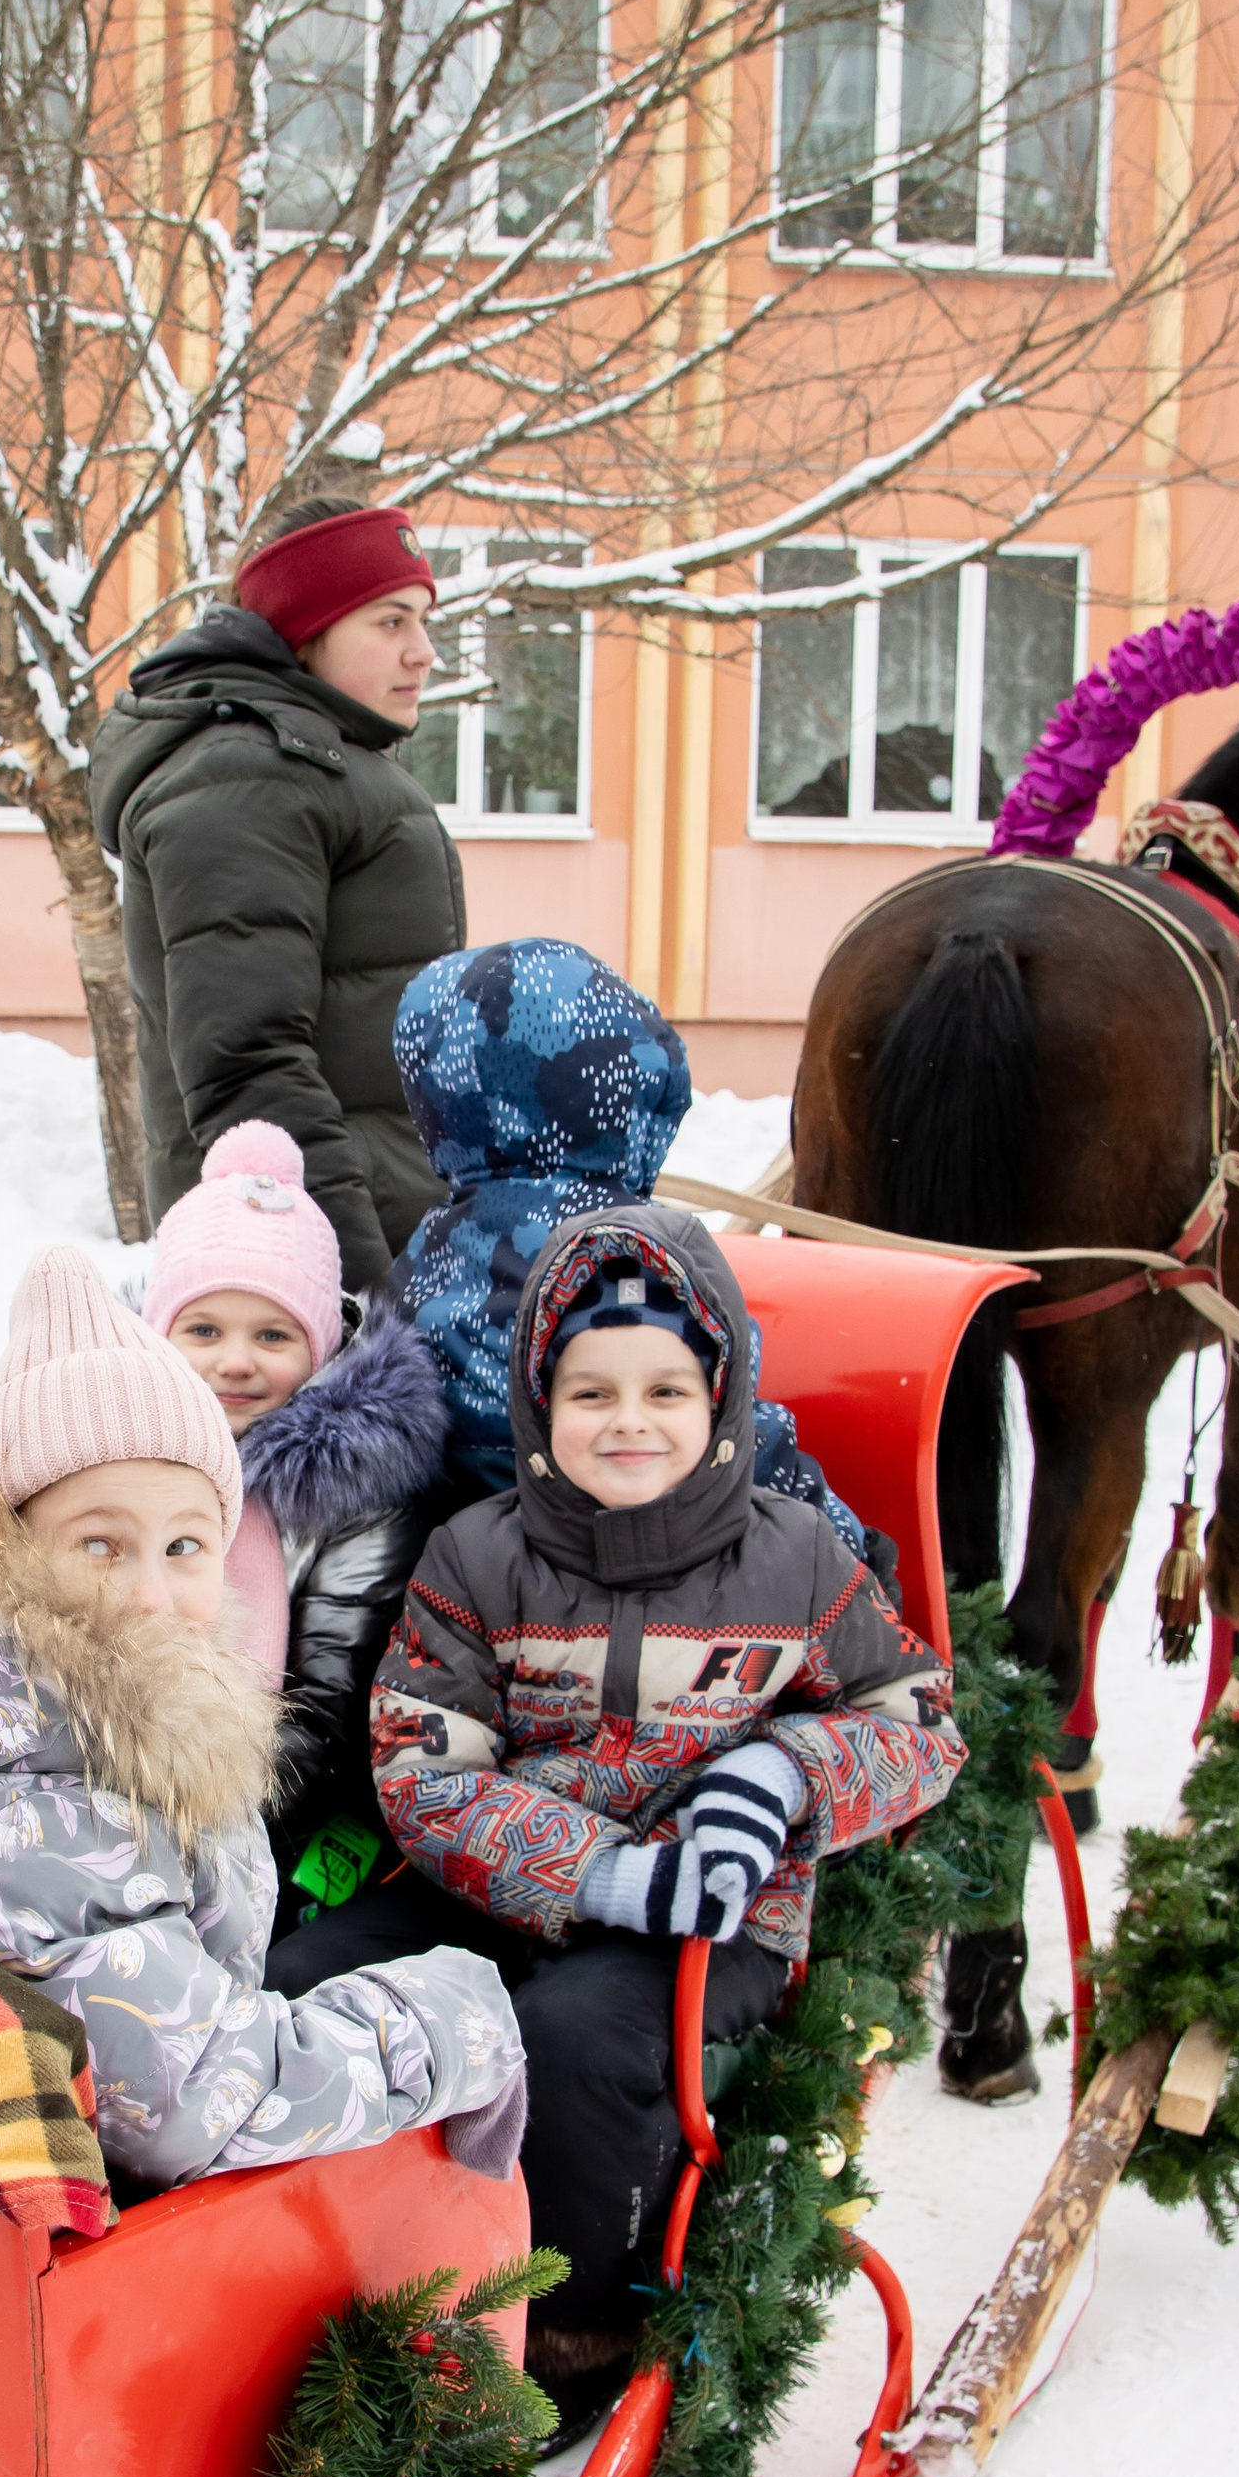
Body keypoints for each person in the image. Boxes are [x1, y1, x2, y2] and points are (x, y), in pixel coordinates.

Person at [271, 1201, 965, 2435]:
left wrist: (784, 1776)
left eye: (664, 1391)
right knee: (303, 1980)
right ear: (540, 1405)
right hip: (500, 1879)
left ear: (720, 1400)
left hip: (709, 1912)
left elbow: (917, 1721)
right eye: (590, 1393)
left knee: (575, 2039)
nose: (627, 1421)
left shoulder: (795, 1561)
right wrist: (590, 1872)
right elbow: (422, 1768)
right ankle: (311, 2275)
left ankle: (570, 2330)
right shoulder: (477, 1558)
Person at [0, 1245, 523, 2190]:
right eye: (100, 1546)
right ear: (8, 1547)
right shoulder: (25, 1805)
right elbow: (196, 2104)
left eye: (186, 1545)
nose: (154, 1596)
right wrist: (454, 2020)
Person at [391, 937, 873, 1560]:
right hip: (673, 1577)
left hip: (481, 1572)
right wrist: (853, 1549)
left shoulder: (425, 1258)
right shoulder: (648, 1258)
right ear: (632, 1091)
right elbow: (739, 1431)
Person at [90, 501, 464, 1297]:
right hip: (302, 1280)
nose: (423, 651)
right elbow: (250, 1073)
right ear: (306, 632)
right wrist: (361, 1304)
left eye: (424, 620)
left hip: (372, 1242)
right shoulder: (245, 779)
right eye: (390, 622)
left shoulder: (314, 763)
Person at [143, 1115, 446, 1920]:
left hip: (266, 1809)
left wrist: (175, 1808)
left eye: (272, 1334)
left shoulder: (356, 1495)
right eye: (203, 1330)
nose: (236, 1361)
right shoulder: (120, 1460)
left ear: (321, 1347)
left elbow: (322, 1717)